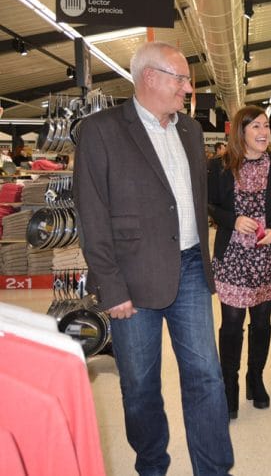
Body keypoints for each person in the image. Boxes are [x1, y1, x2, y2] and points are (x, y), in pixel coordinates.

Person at [73, 41, 234, 475]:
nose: (188, 89)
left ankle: (215, 469)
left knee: (206, 378)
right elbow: (91, 213)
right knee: (140, 386)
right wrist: (110, 285)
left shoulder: (191, 130)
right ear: (150, 77)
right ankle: (151, 466)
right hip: (132, 280)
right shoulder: (101, 131)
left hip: (191, 270)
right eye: (180, 79)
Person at [207, 105, 271, 419]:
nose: (263, 132)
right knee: (231, 325)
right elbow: (212, 205)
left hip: (266, 255)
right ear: (240, 131)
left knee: (261, 323)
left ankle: (255, 379)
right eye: (255, 126)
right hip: (232, 256)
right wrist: (233, 219)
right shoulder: (219, 165)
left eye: (266, 126)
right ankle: (228, 384)